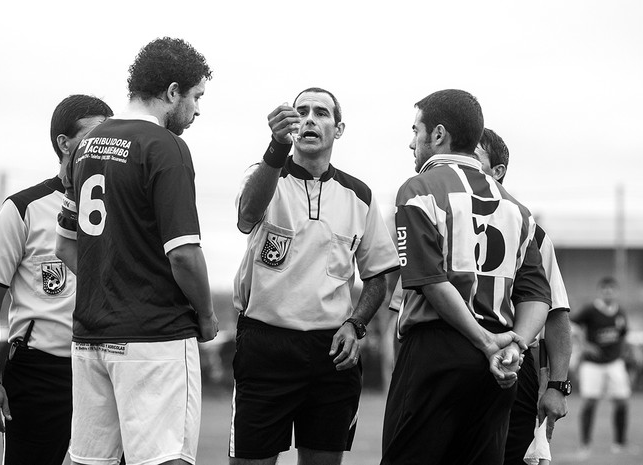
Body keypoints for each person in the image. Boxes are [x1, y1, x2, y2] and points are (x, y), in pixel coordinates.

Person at [55, 37, 218, 465]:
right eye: (196, 96)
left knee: (90, 461)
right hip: (154, 338)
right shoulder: (165, 146)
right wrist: (206, 314)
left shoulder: (85, 146)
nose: (198, 109)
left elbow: (64, 245)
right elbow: (183, 255)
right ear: (172, 92)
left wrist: (110, 283)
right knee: (166, 459)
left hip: (90, 336)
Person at [381, 89, 552, 465]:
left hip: (436, 351)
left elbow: (428, 279)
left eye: (416, 130)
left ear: (438, 134)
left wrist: (485, 342)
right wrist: (514, 346)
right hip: (500, 364)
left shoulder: (418, 190)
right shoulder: (517, 209)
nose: (411, 142)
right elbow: (538, 294)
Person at [231, 87, 399, 465]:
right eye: (301, 111)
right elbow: (246, 218)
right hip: (265, 343)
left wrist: (356, 324)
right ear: (290, 126)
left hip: (331, 353)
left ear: (338, 129)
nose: (310, 118)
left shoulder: (360, 195)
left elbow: (378, 276)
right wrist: (274, 148)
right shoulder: (264, 175)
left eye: (321, 113)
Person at [0, 95, 113, 465]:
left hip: (108, 367)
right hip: (41, 374)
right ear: (64, 143)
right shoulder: (24, 207)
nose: (102, 143)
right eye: (94, 134)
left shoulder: (121, 207)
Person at [475, 127, 573, 465]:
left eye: (474, 158)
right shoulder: (439, 218)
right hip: (448, 358)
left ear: (498, 171)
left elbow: (557, 312)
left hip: (514, 366)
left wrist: (558, 386)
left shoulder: (530, 229)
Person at [571, 276, 634, 459]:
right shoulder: (590, 310)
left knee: (622, 401)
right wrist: (584, 345)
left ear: (616, 292)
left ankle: (620, 444)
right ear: (600, 291)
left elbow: (623, 334)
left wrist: (628, 351)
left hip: (614, 362)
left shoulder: (620, 312)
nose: (608, 292)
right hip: (593, 364)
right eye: (605, 289)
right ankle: (584, 446)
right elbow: (572, 324)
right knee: (590, 401)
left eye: (612, 289)